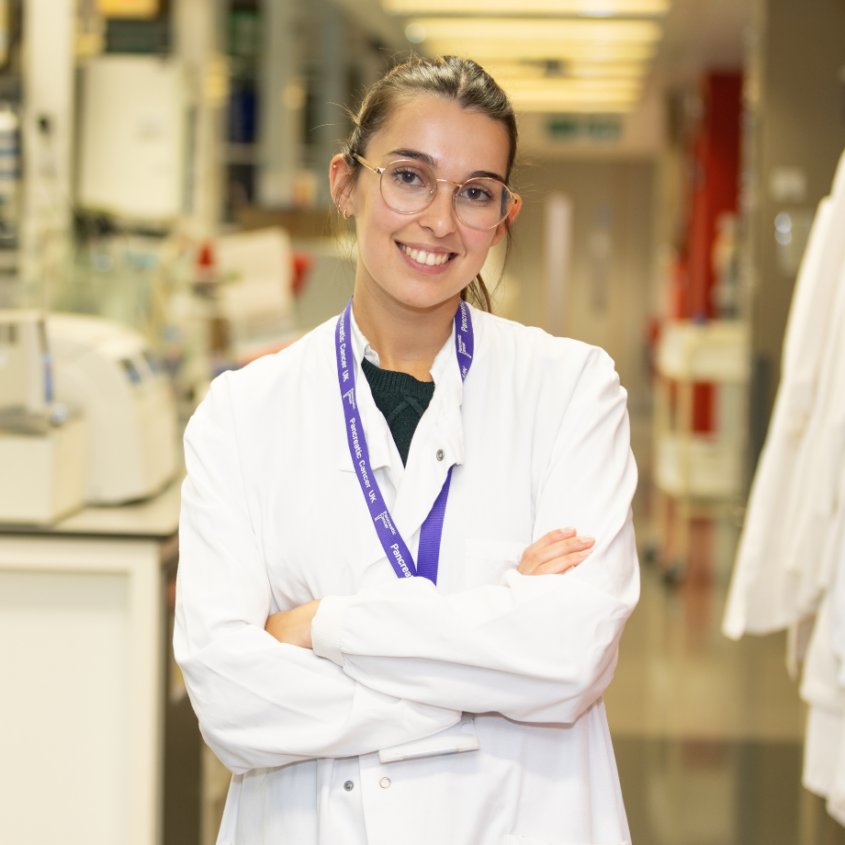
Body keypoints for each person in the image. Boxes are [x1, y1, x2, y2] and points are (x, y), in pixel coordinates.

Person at [175, 55, 639, 845]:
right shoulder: (243, 413)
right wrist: (491, 657)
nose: (438, 220)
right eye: (409, 178)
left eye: (475, 192)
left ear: (502, 214)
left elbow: (569, 654)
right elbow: (230, 698)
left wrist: (321, 627)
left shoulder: (570, 390)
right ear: (346, 183)